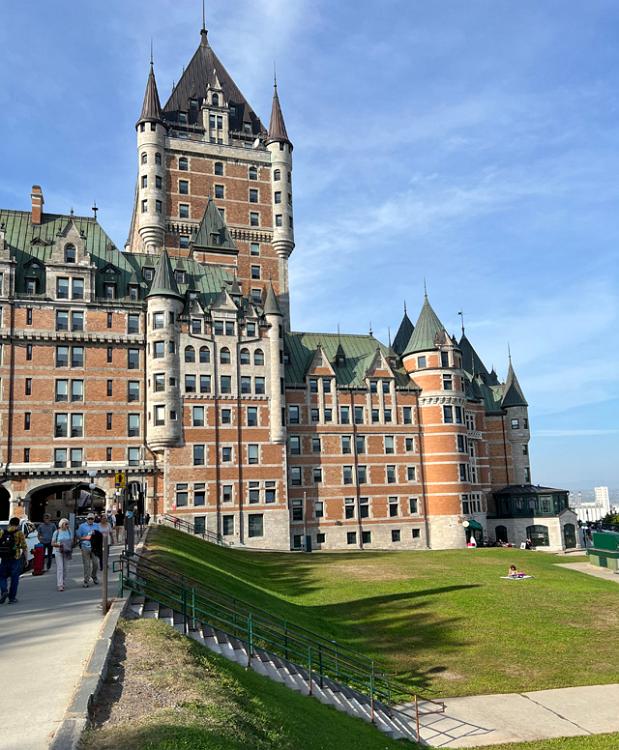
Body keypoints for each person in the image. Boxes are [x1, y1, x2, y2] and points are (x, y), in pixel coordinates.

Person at [0, 517, 28, 604]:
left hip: (4, 558)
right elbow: (24, 547)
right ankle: (12, 598)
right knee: (14, 579)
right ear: (18, 524)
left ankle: (4, 590)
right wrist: (26, 559)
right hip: (15, 558)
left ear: (9, 523)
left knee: (2, 577)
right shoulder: (19, 533)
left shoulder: (2, 532)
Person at [77, 513, 98, 587]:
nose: (90, 520)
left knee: (96, 563)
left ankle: (94, 576)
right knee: (87, 565)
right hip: (85, 546)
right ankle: (86, 580)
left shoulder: (96, 525)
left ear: (94, 519)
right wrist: (86, 537)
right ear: (87, 519)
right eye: (89, 518)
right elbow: (79, 537)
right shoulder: (82, 526)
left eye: (92, 519)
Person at [51, 519, 73, 592]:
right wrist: (59, 544)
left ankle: (62, 581)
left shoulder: (69, 531)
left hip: (67, 551)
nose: (67, 525)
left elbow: (72, 541)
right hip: (58, 551)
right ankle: (60, 584)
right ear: (61, 524)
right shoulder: (56, 532)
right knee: (60, 568)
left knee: (66, 568)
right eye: (65, 524)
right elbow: (52, 543)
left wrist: (69, 545)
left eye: (67, 524)